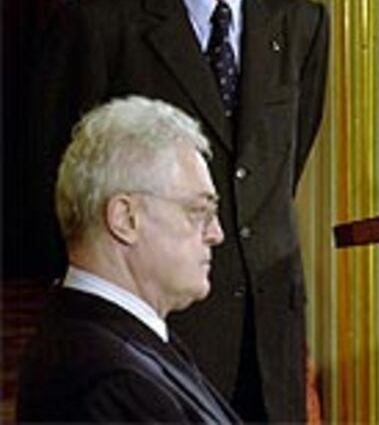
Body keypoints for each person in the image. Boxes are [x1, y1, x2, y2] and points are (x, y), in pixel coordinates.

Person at [32, 0, 329, 423]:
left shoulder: (302, 24)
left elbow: (273, 174)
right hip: (157, 334)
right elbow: (59, 193)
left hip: (271, 332)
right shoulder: (98, 22)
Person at [18, 95, 242, 423]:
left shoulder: (118, 337)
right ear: (125, 218)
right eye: (198, 211)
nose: (216, 233)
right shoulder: (111, 380)